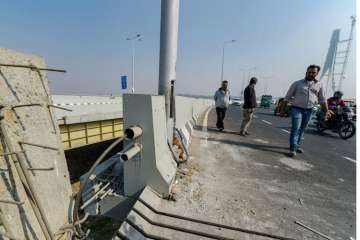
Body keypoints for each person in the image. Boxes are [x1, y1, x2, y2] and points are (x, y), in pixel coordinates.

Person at [281, 65, 329, 157]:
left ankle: (297, 145)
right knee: (296, 128)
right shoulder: (297, 83)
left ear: (317, 73)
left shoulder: (319, 84)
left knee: (302, 129)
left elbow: (322, 100)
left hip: (309, 110)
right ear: (306, 72)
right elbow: (287, 98)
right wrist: (282, 110)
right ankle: (293, 148)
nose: (311, 74)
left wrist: (326, 111)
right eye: (309, 72)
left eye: (313, 72)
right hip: (297, 109)